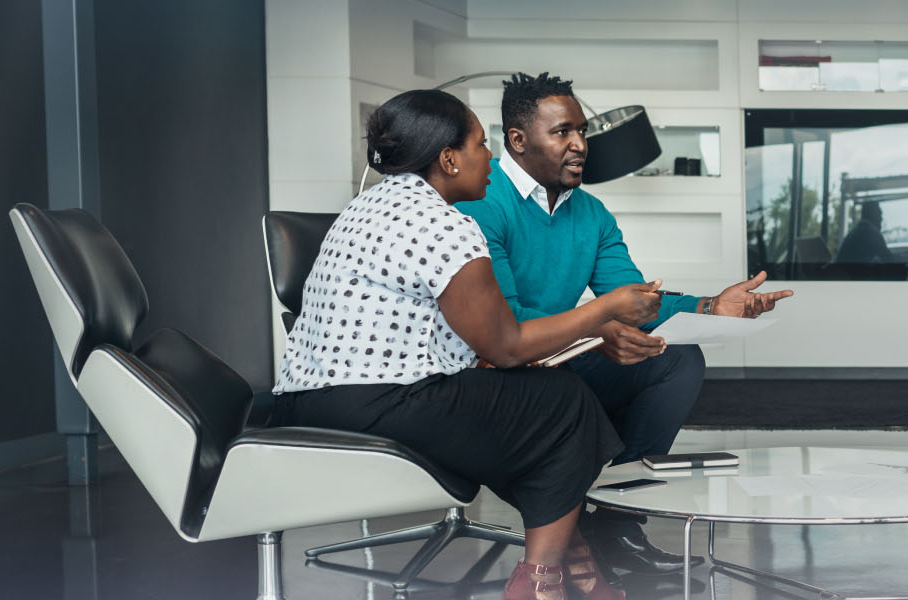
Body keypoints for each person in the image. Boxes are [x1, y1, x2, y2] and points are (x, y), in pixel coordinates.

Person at [269, 89, 657, 600]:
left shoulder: (365, 206)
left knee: (523, 402)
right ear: (449, 160)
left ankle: (575, 557)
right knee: (566, 403)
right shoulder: (445, 224)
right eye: (480, 144)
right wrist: (601, 313)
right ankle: (540, 583)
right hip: (381, 403)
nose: (492, 157)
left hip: (304, 399)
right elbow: (508, 345)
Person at [452, 72, 793, 577]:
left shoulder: (591, 213)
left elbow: (636, 303)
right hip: (497, 368)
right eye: (563, 132)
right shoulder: (481, 202)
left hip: (561, 359)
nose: (580, 145)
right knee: (589, 364)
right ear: (518, 140)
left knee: (674, 357)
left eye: (582, 132)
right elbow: (508, 323)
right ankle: (576, 517)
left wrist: (709, 306)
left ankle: (614, 518)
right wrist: (598, 330)